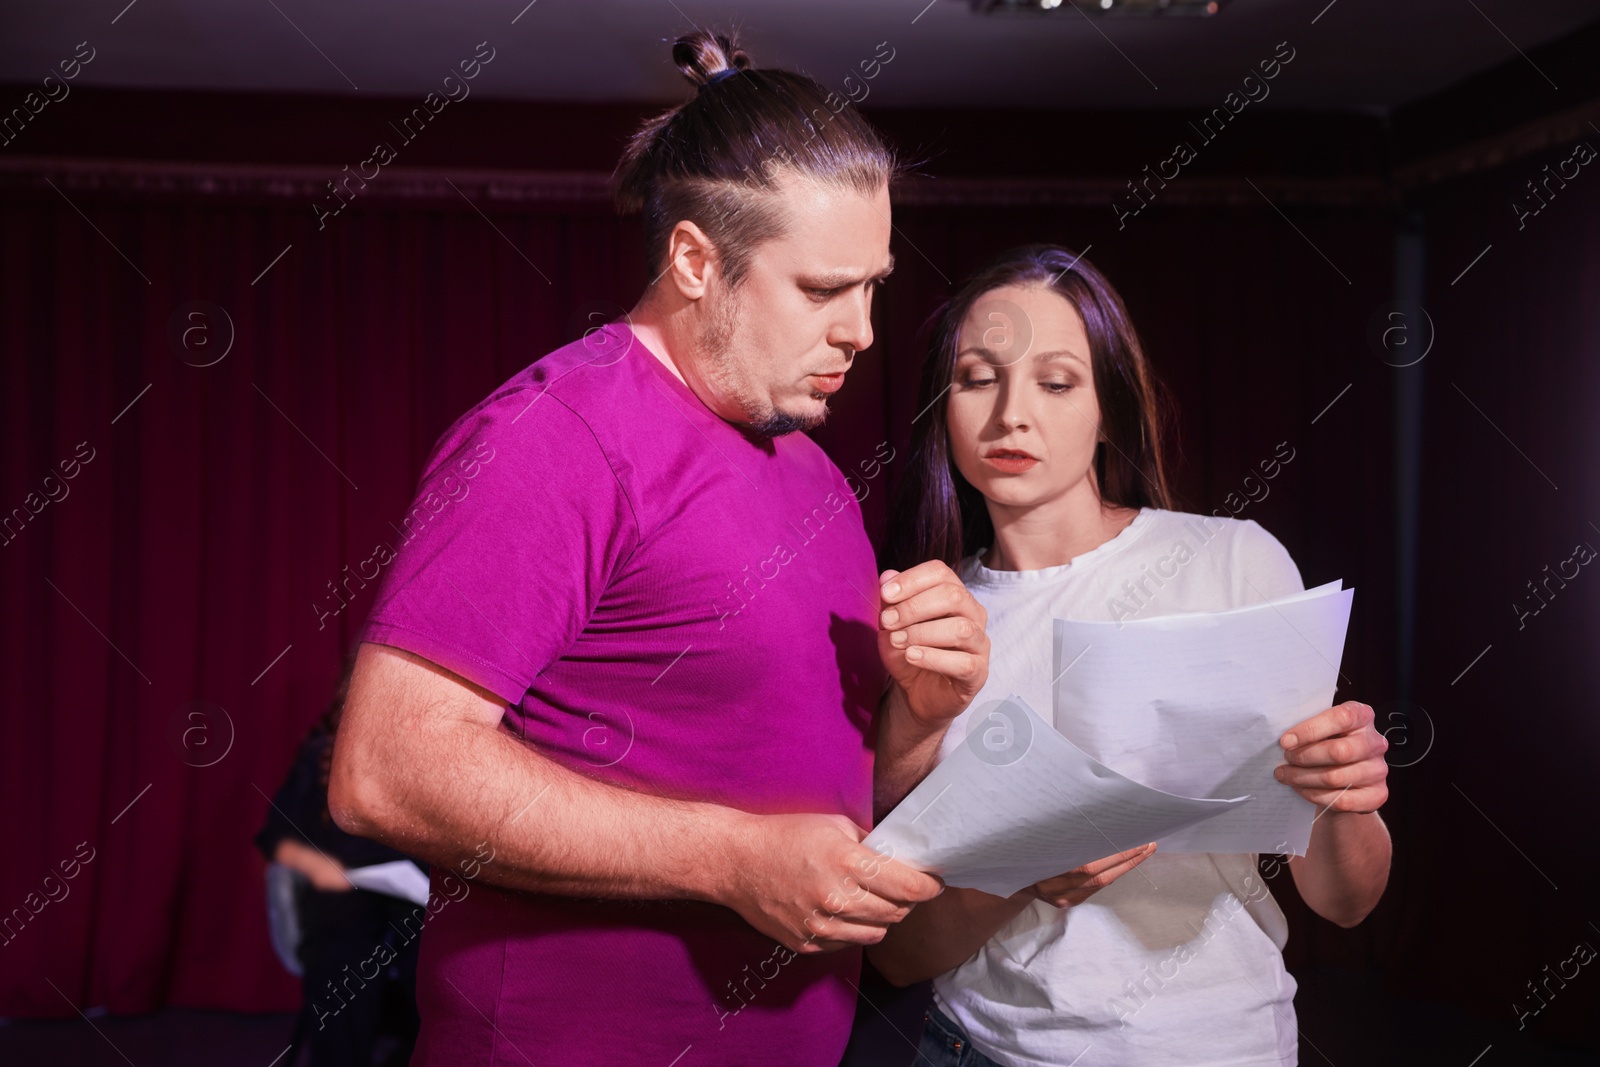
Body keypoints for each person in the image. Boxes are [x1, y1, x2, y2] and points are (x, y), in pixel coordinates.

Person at [326, 29, 990, 1067]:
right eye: (822, 290)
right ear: (692, 259)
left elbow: (841, 796)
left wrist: (924, 705)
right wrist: (728, 858)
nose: (862, 329)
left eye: (874, 284)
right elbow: (387, 769)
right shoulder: (558, 435)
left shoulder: (814, 476)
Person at [868, 244, 1391, 1066]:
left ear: (1107, 405)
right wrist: (1024, 872)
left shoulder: (1235, 563)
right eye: (978, 377)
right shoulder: (926, 627)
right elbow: (897, 954)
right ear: (943, 404)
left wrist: (1344, 796)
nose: (1012, 414)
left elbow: (1348, 901)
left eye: (1056, 381)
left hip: (1220, 1043)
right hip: (982, 1049)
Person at [254, 652, 423, 1067]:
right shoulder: (320, 755)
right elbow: (276, 837)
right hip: (339, 890)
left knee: (428, 940)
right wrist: (320, 869)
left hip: (417, 895)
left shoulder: (426, 762)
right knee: (343, 940)